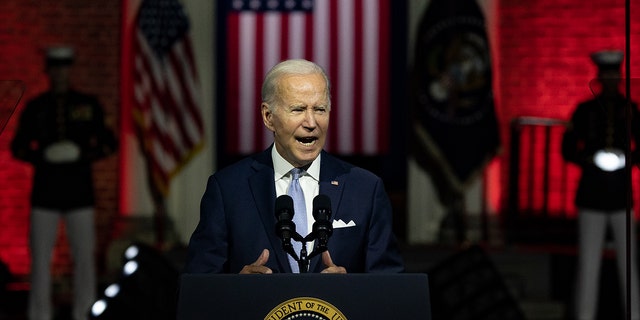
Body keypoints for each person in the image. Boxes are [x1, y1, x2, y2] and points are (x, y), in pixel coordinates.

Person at [184, 59, 404, 274]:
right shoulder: (228, 189)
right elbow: (196, 289)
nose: (310, 123)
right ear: (268, 117)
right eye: (298, 109)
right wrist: (238, 289)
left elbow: (391, 290)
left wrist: (348, 293)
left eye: (319, 109)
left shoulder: (366, 189)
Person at [10, 46, 118, 320]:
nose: (60, 73)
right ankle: (39, 315)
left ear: (70, 70)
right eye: (55, 68)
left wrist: (82, 154)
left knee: (84, 259)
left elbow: (108, 143)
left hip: (79, 191)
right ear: (49, 71)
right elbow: (18, 147)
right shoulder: (37, 107)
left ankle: (84, 313)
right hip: (45, 192)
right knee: (40, 261)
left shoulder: (87, 105)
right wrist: (42, 156)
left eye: (64, 67)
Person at [561, 49, 640, 320]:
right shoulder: (584, 111)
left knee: (628, 265)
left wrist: (627, 160)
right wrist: (590, 158)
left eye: (614, 73)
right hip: (592, 196)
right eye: (605, 73)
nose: (610, 78)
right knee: (588, 265)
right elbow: (568, 147)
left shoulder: (630, 109)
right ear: (599, 75)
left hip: (620, 196)